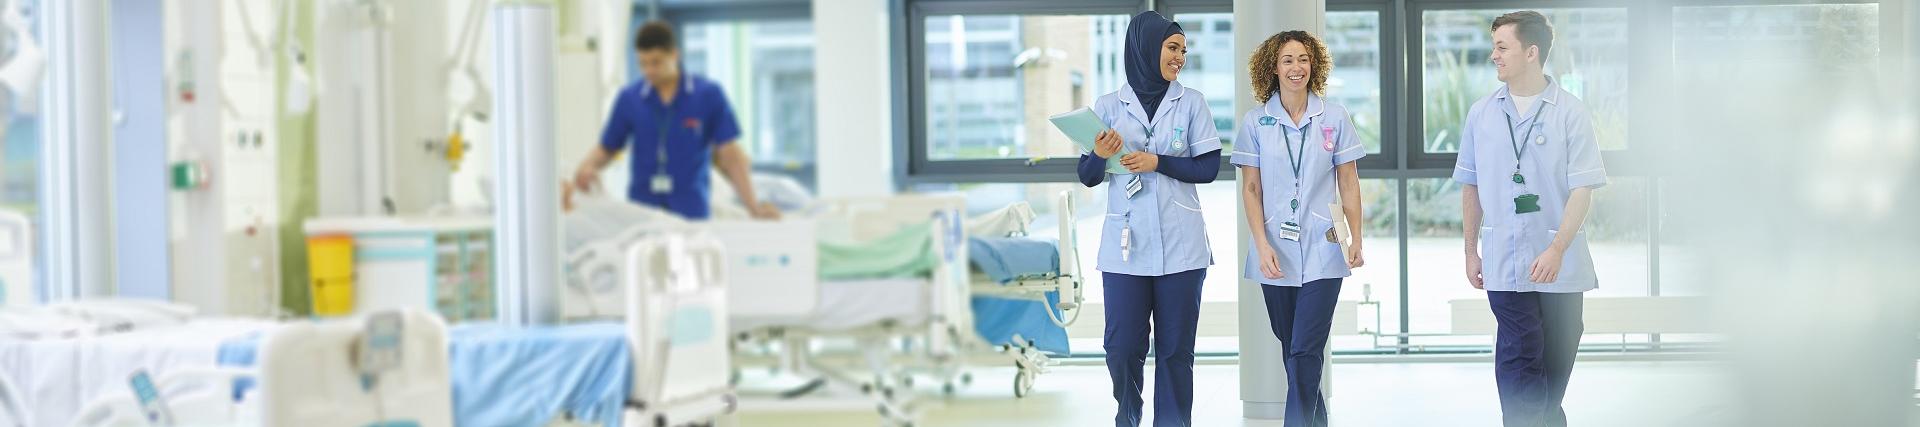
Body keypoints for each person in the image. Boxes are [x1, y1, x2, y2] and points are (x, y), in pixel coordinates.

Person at [1453, 11, 1607, 427]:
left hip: (1561, 263)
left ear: (1531, 52)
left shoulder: (1571, 113)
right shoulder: (1481, 114)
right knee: (1521, 352)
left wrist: (1557, 249)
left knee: (1558, 351)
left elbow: (1583, 188)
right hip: (1505, 261)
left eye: (1502, 47)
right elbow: (1471, 187)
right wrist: (1471, 252)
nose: (1494, 55)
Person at [1079, 11, 1219, 427]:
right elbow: (1087, 177)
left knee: (1176, 350)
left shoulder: (1191, 102)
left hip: (1182, 247)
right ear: (1145, 49)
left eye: (1183, 51)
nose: (1180, 58)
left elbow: (1208, 167)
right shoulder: (1108, 106)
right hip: (1126, 247)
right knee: (1122, 347)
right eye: (1173, 48)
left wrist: (1157, 161)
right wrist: (1099, 155)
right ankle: (1128, 413)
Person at [1231, 30, 1366, 427]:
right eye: (1288, 60)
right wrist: (1260, 244)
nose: (1297, 67)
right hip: (1275, 249)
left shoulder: (1334, 116)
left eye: (1304, 59)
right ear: (1273, 67)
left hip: (1325, 245)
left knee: (1306, 349)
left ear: (1315, 65)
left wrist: (1356, 237)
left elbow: (1349, 182)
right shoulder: (1256, 122)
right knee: (1291, 346)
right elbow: (1251, 189)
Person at [571, 20, 777, 220]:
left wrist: (753, 207)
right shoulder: (629, 98)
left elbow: (730, 155)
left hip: (691, 211)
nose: (649, 70)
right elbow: (608, 147)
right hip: (642, 212)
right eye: (643, 63)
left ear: (674, 55)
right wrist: (587, 167)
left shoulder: (708, 95)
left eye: (656, 62)